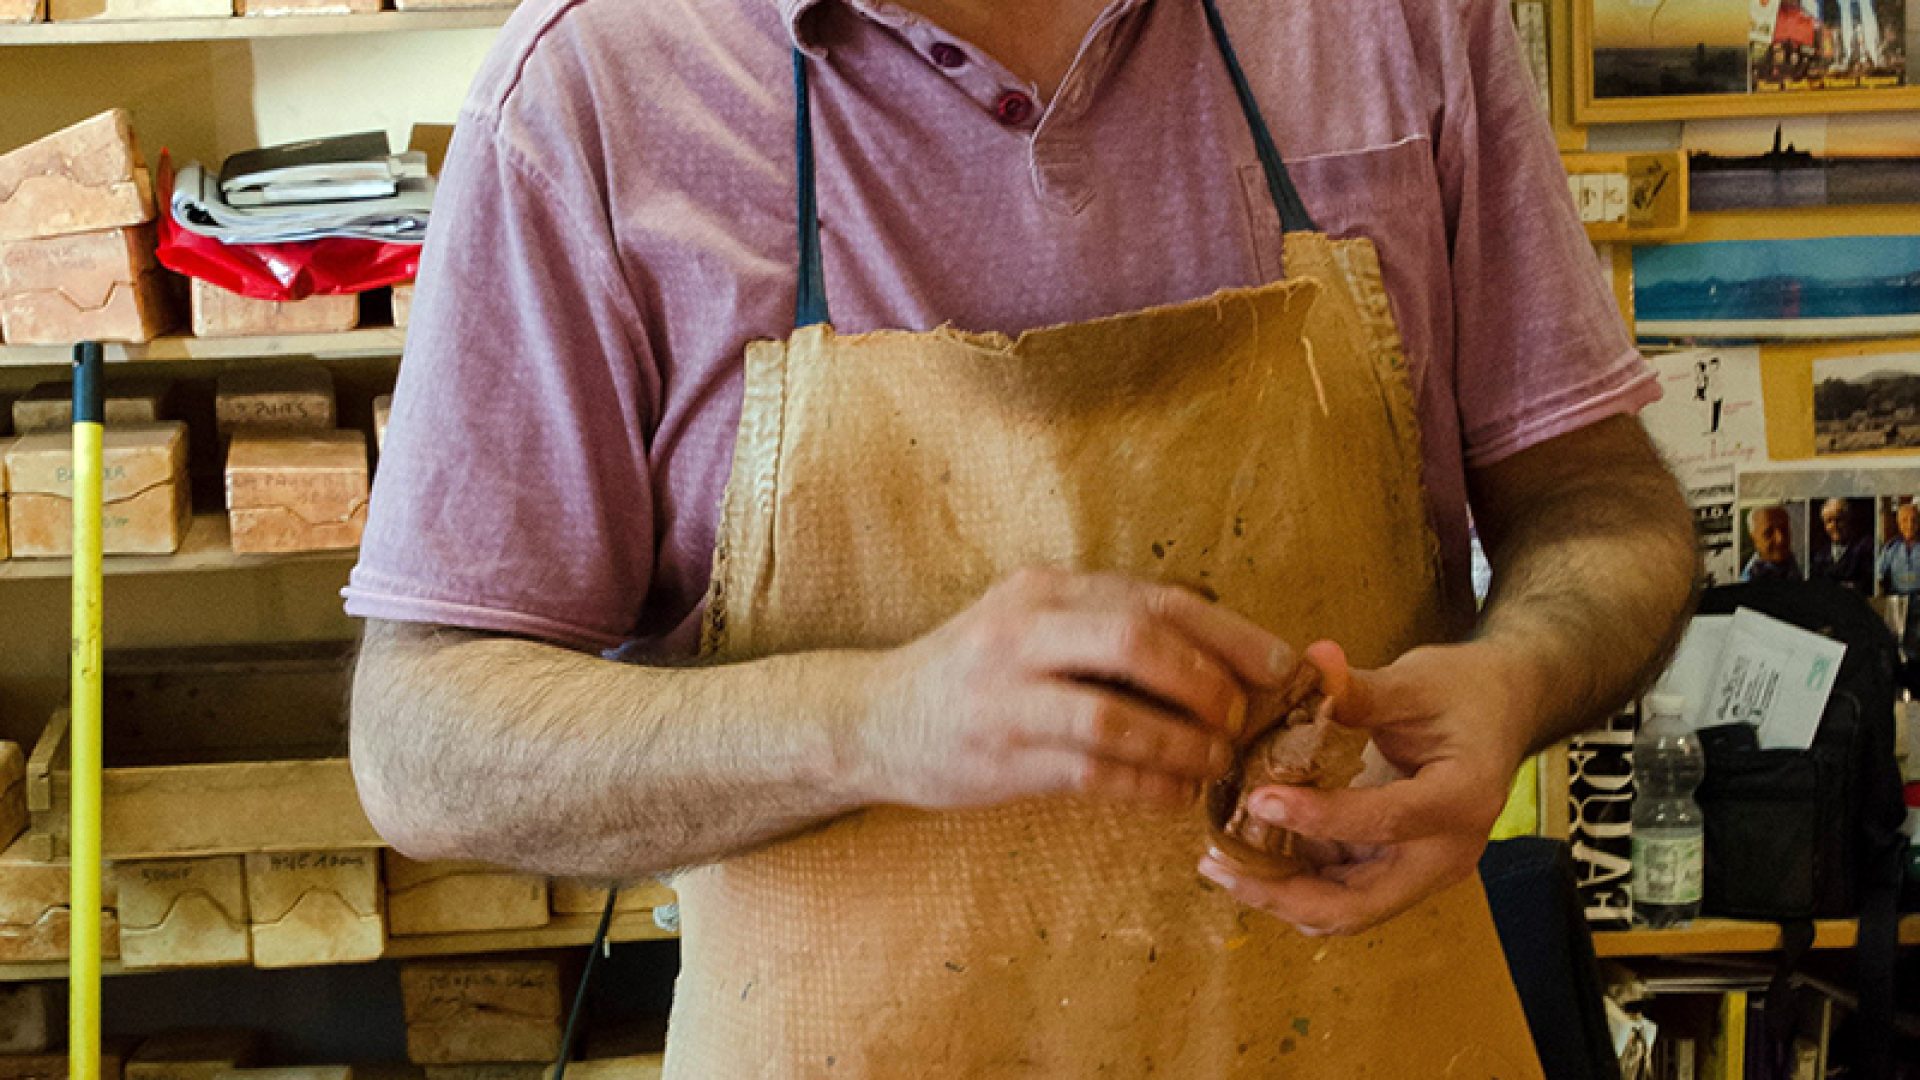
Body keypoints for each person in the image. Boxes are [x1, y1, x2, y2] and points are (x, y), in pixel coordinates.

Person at [344, 0, 1696, 1073]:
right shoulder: (597, 89)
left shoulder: (1394, 22)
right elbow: (426, 743)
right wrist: (868, 720)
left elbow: (1604, 506)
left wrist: (1518, 677)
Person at [1810, 497, 1872, 592]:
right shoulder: (1819, 555)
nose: (1834, 526)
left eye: (1838, 520)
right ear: (1825, 526)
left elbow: (1867, 584)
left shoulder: (1865, 548)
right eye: (1829, 521)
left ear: (1848, 520)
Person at [1742, 505, 1801, 582]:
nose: (1780, 539)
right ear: (1754, 539)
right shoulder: (1752, 576)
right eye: (1768, 533)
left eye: (1784, 529)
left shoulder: (1791, 559)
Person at [1879, 501, 1920, 596]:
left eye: (1914, 520)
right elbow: (1879, 575)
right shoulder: (1890, 547)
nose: (1910, 525)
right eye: (1905, 520)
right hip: (1897, 598)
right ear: (1899, 524)